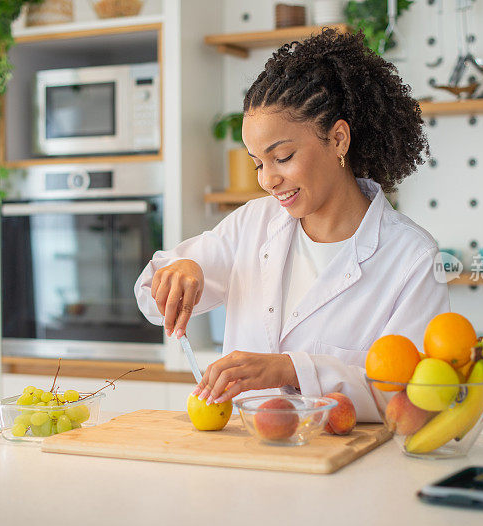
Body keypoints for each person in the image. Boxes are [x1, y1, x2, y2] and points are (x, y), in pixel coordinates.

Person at [134, 28, 450, 421]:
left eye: (281, 157)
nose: (267, 180)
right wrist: (180, 271)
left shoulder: (411, 256)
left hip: (348, 469)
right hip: (249, 464)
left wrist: (292, 369)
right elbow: (150, 298)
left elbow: (411, 396)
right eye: (258, 163)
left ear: (338, 140)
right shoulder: (253, 223)